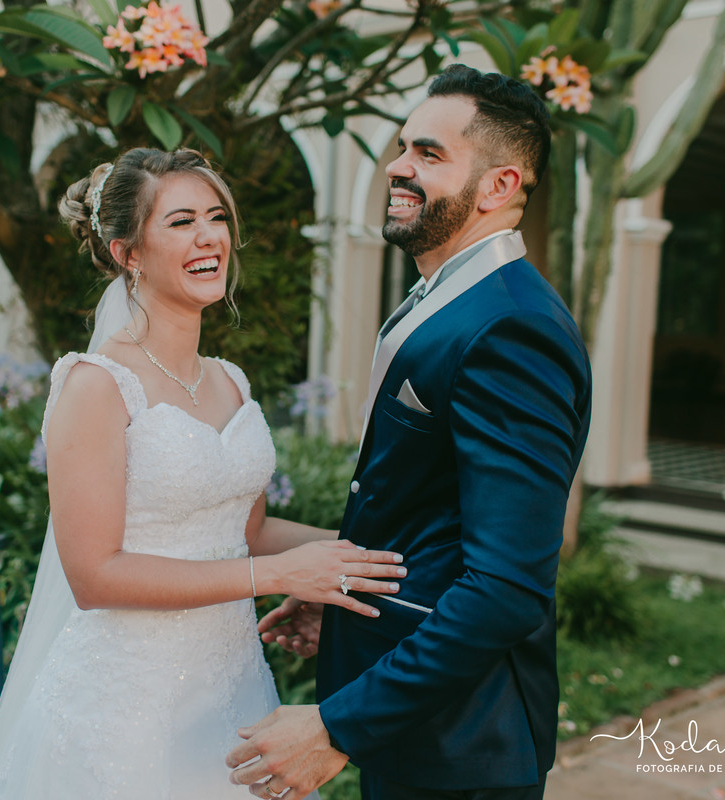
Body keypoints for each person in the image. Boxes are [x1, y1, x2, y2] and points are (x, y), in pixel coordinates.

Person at [0, 148, 406, 799]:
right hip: (124, 704)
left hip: (231, 690)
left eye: (217, 217)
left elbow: (245, 532)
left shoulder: (230, 380)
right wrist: (277, 577)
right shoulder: (96, 387)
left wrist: (359, 557)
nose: (209, 237)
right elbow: (93, 575)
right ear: (127, 253)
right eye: (180, 222)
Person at [228, 65, 592, 800]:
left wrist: (340, 727)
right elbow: (431, 515)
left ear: (498, 186)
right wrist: (349, 598)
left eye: (428, 154)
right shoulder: (448, 298)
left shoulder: (513, 328)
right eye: (401, 148)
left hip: (465, 742)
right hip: (420, 725)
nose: (397, 166)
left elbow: (507, 586)